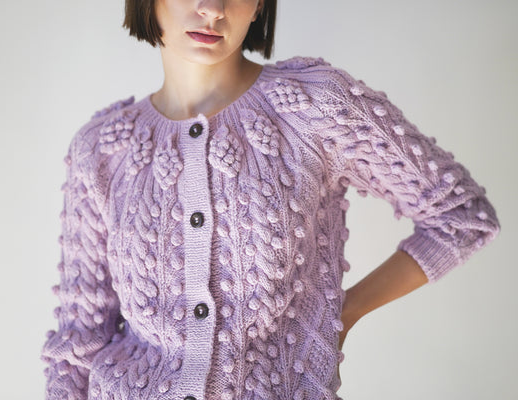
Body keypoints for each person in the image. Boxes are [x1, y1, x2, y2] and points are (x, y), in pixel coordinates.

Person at [40, 1, 500, 399]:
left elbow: (462, 217)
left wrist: (341, 316)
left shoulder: (314, 106)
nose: (213, 8)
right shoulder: (100, 149)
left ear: (260, 3)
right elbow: (77, 341)